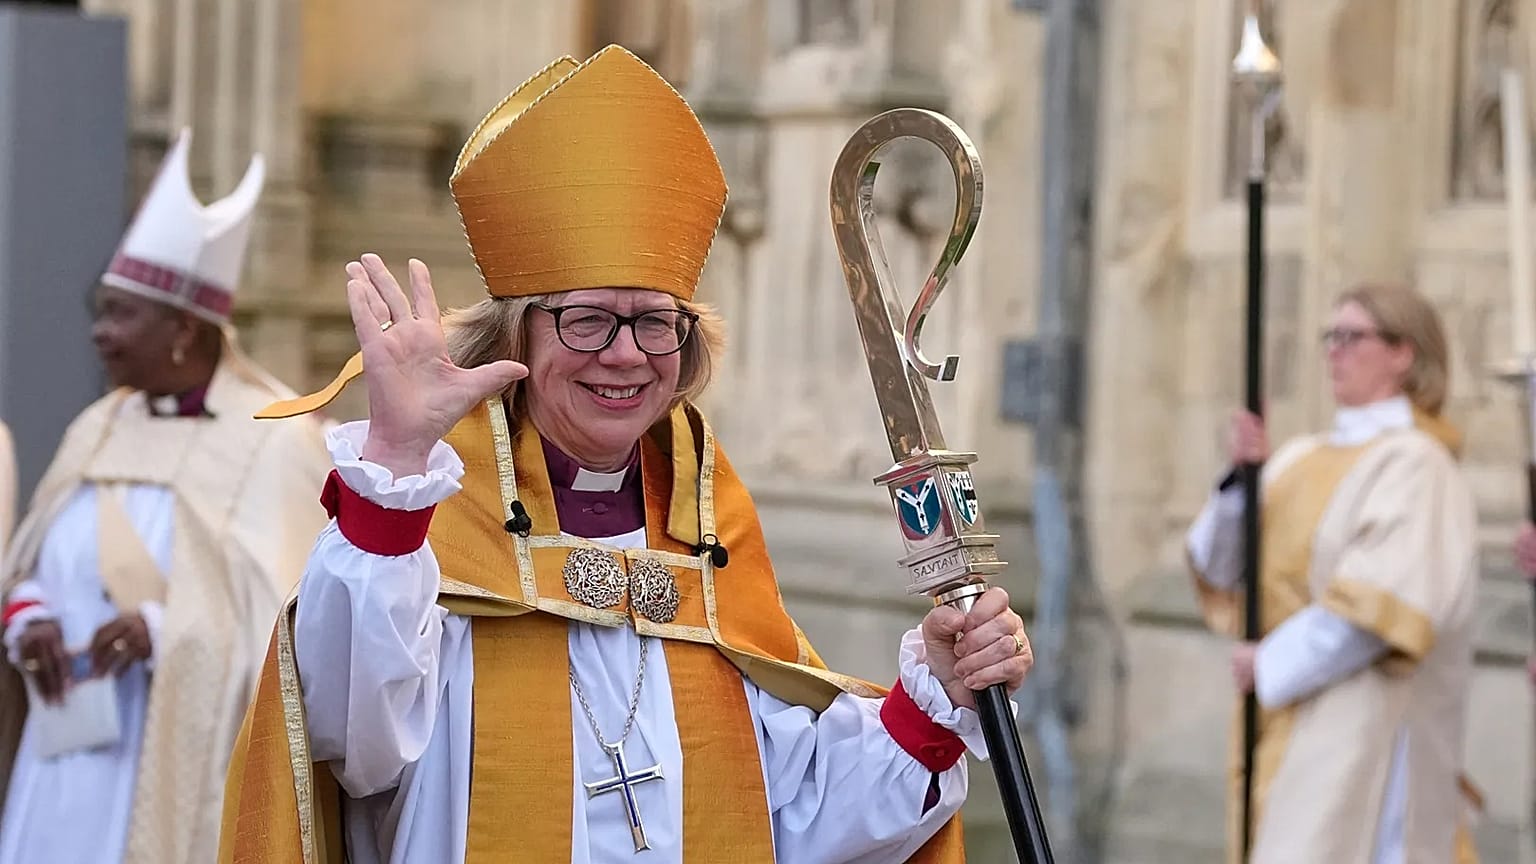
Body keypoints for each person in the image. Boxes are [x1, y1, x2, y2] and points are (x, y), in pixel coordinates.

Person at [219, 46, 1032, 863]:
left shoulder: (707, 543)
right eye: (586, 320)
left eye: (653, 321)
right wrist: (395, 459)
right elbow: (350, 738)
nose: (625, 354)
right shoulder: (426, 544)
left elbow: (793, 813)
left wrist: (937, 701)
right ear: (517, 336)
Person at [0, 129, 334, 864]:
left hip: (169, 760)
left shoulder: (276, 438)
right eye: (101, 311)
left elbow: (293, 627)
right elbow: (31, 562)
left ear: (183, 328)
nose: (99, 333)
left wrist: (162, 629)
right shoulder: (99, 425)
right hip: (59, 754)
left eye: (120, 314)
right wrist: (29, 617)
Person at [1185, 282, 1483, 864]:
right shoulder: (1301, 456)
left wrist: (1268, 662)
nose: (1334, 351)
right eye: (1331, 336)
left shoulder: (1418, 464)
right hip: (1284, 714)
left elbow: (1380, 608)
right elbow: (1221, 566)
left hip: (1365, 718)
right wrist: (1241, 479)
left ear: (1403, 353)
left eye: (1352, 336)